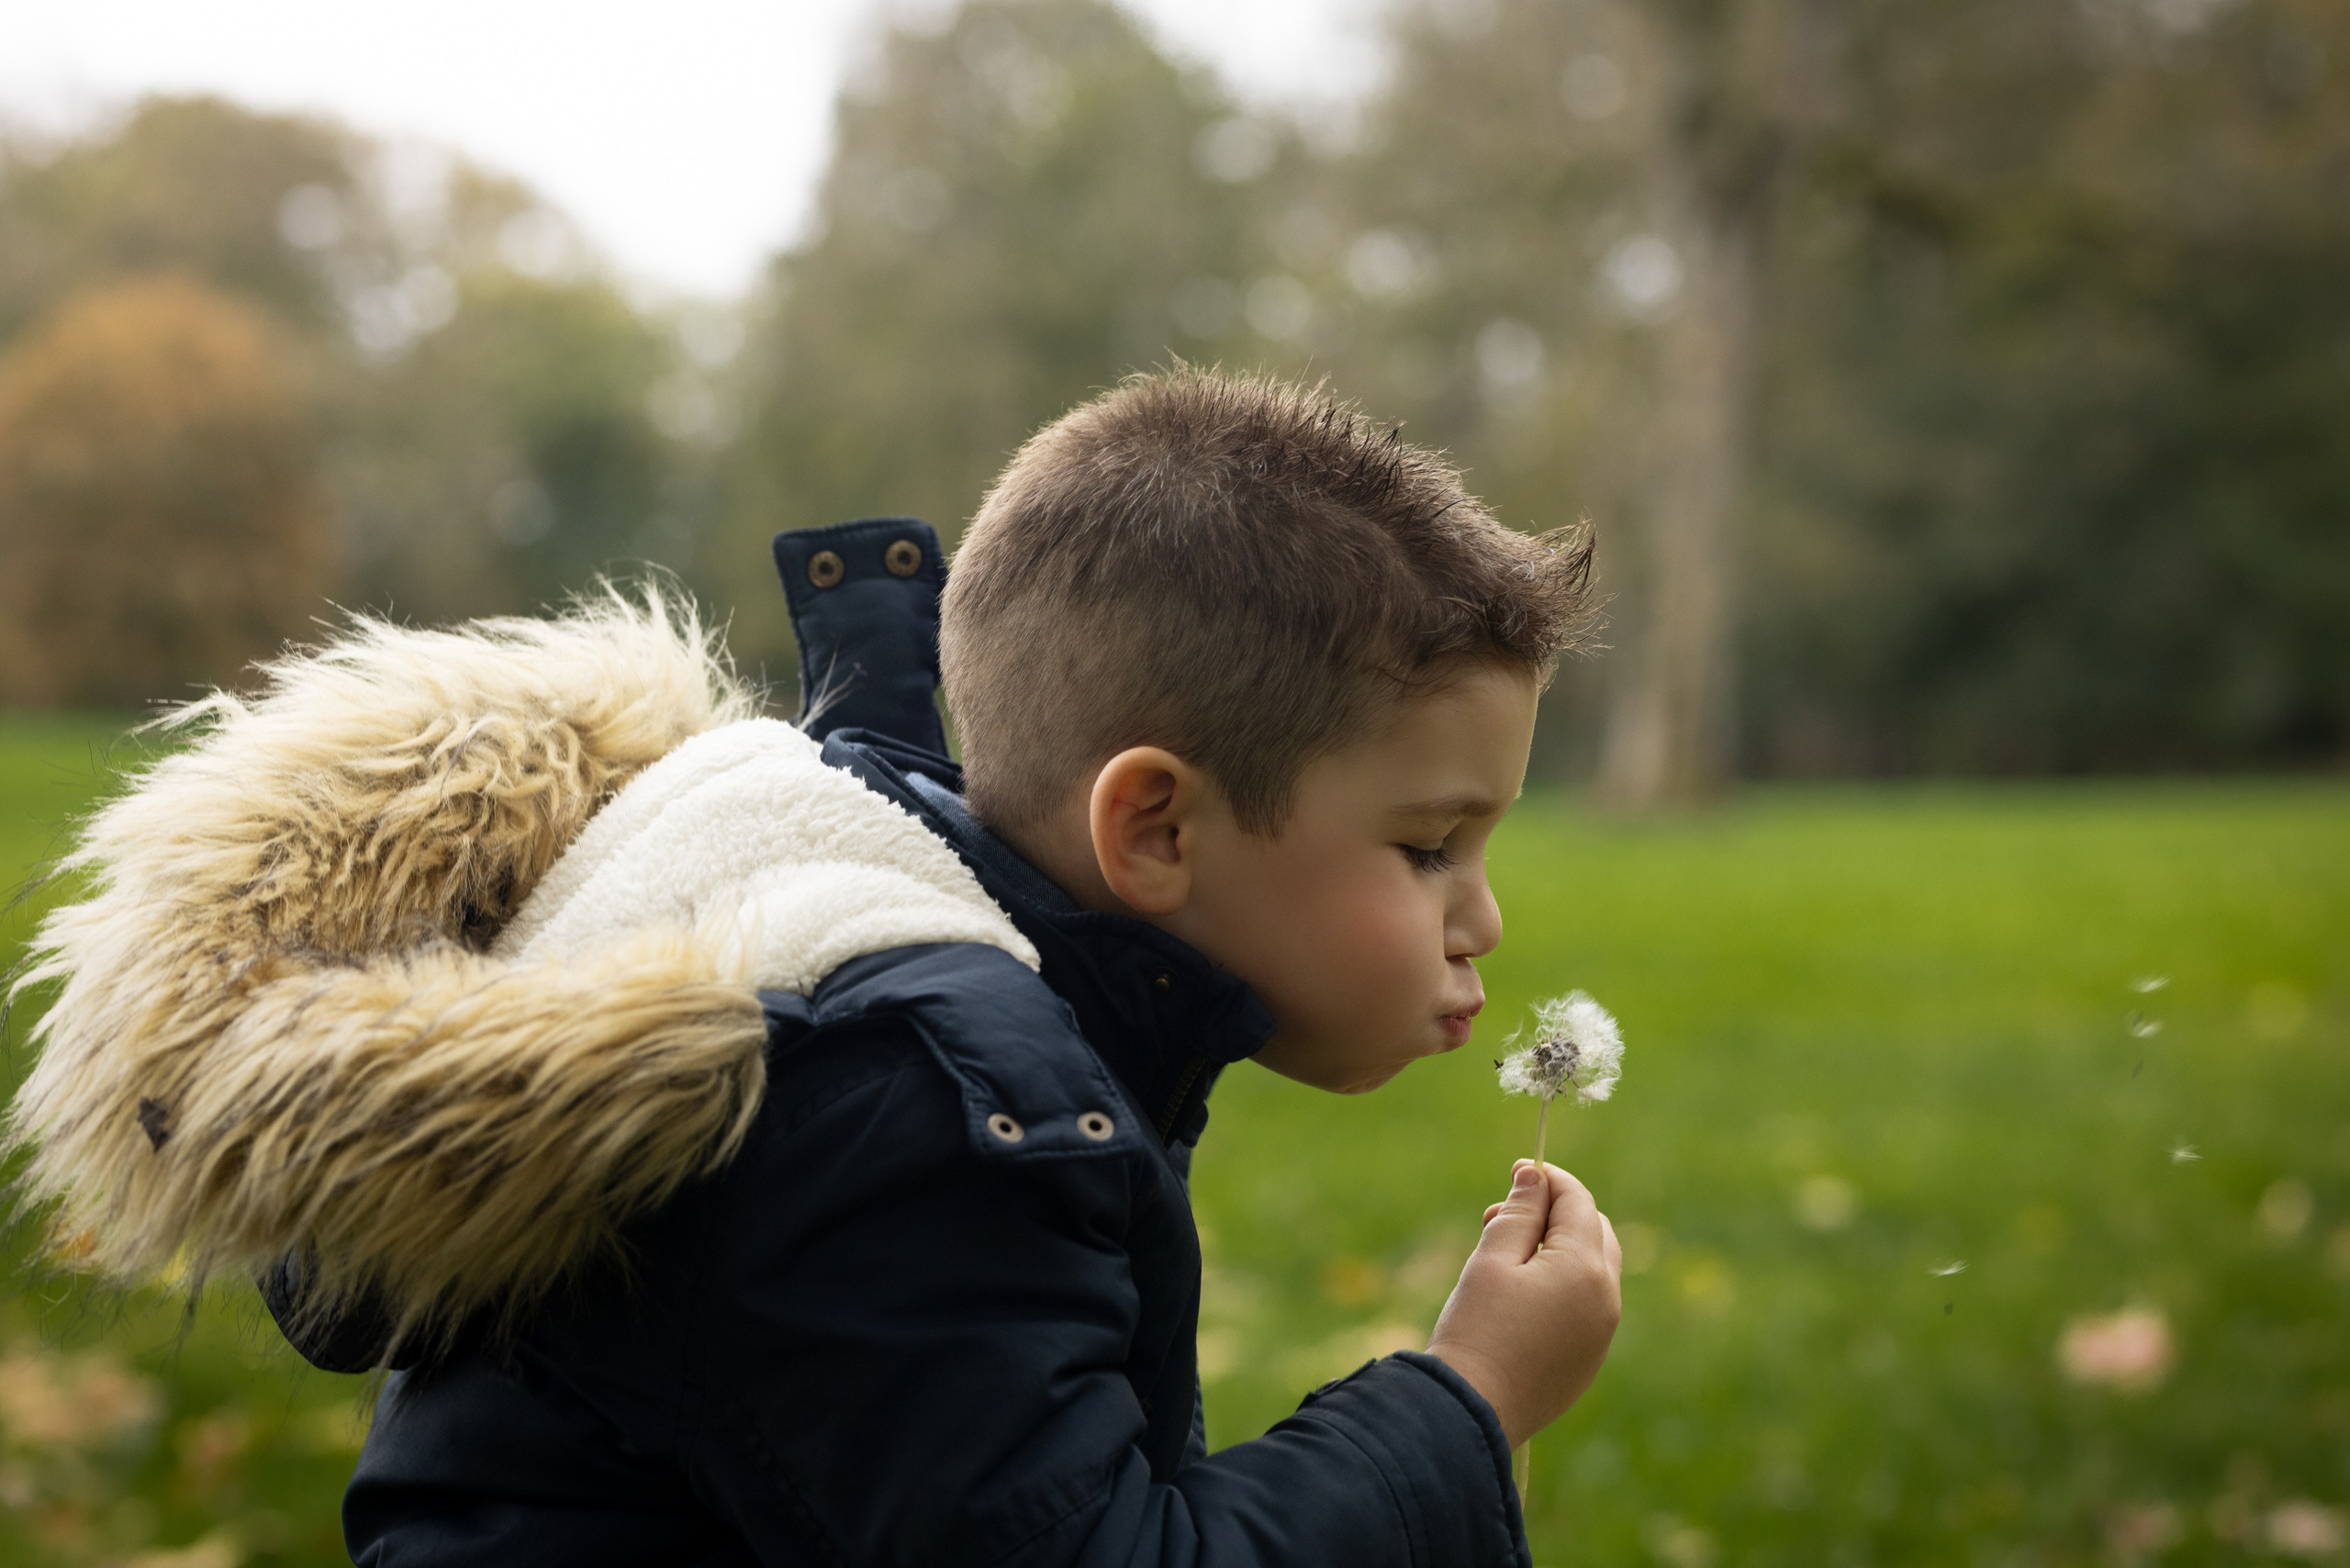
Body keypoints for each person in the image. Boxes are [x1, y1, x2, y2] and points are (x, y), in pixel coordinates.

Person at [11, 369, 1618, 1567]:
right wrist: (1462, 1408)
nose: (1481, 919)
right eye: (1428, 847)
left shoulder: (865, 936)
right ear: (1155, 830)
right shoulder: (916, 1100)